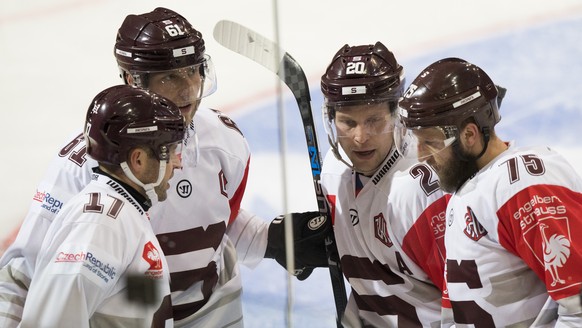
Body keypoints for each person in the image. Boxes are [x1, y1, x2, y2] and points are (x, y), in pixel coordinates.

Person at [0, 7, 326, 327]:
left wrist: (269, 239)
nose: (187, 90)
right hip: (132, 316)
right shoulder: (87, 163)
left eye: (193, 71)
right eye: (170, 77)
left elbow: (214, 220)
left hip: (214, 312)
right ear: (132, 80)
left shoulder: (226, 143)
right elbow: (24, 272)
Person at [395, 57, 582, 326]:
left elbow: (578, 304)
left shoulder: (522, 183)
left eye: (430, 143)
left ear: (469, 135)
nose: (422, 156)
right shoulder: (467, 191)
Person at [19, 85, 185, 327]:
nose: (176, 163)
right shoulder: (101, 223)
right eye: (168, 151)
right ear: (137, 160)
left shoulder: (125, 213)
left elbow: (124, 307)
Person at [317, 42, 450, 327]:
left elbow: (464, 299)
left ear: (396, 115)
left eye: (374, 120)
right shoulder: (332, 170)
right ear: (331, 119)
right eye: (347, 123)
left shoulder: (423, 187)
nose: (360, 137)